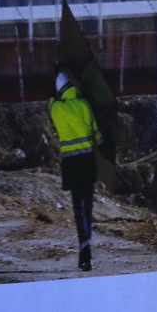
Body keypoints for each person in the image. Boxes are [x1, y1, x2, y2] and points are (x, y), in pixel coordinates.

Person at [48, 65, 99, 271]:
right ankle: (87, 249)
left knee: (78, 209)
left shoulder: (56, 108)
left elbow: (50, 99)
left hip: (71, 164)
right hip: (87, 160)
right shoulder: (84, 104)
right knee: (88, 207)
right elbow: (96, 134)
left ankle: (84, 251)